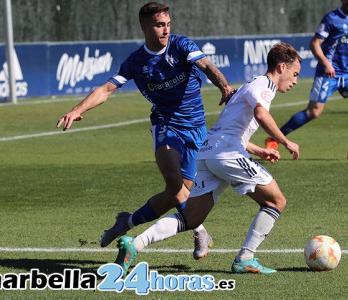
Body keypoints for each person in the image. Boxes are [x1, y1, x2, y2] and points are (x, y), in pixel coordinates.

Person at [56, 2, 234, 259]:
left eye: (168, 24)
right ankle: (200, 231)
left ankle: (126, 222)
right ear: (145, 27)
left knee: (175, 194)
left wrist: (225, 87)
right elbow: (106, 89)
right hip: (165, 125)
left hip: (196, 129)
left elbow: (207, 66)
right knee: (174, 182)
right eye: (160, 25)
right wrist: (78, 108)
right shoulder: (137, 62)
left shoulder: (181, 45)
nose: (165, 30)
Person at [114, 42, 302, 277]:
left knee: (191, 218)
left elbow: (232, 129)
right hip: (226, 153)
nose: (294, 80)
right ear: (281, 66)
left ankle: (136, 244)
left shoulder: (251, 84)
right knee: (276, 201)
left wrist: (259, 151)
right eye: (294, 74)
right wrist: (285, 141)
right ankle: (245, 258)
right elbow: (260, 114)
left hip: (210, 152)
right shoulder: (265, 84)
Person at [265, 0, 348, 160]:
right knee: (313, 112)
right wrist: (327, 64)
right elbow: (315, 43)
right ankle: (274, 139)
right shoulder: (331, 18)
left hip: (347, 73)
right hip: (328, 73)